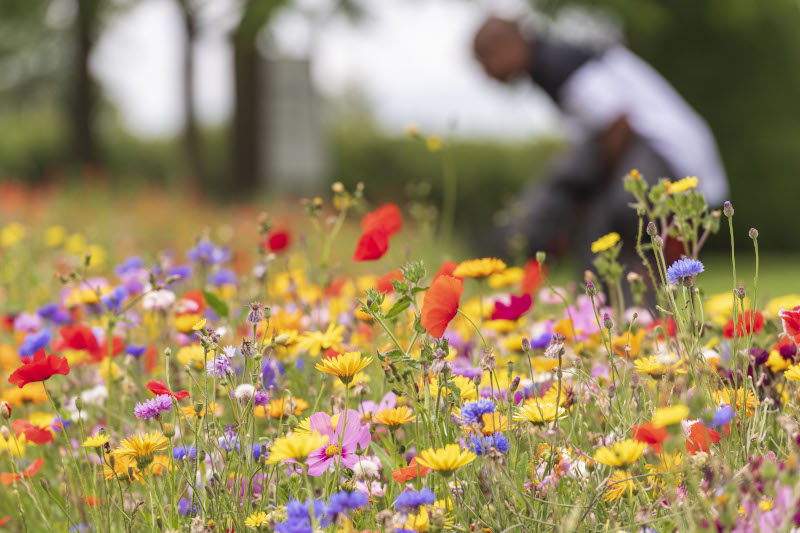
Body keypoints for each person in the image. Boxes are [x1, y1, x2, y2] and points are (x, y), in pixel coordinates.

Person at [472, 16, 729, 271]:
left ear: (507, 46)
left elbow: (618, 121)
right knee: (590, 222)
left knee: (612, 206)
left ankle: (512, 245)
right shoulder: (547, 64)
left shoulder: (559, 63)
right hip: (652, 147)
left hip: (662, 147)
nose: (487, 75)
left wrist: (597, 181)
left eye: (485, 62)